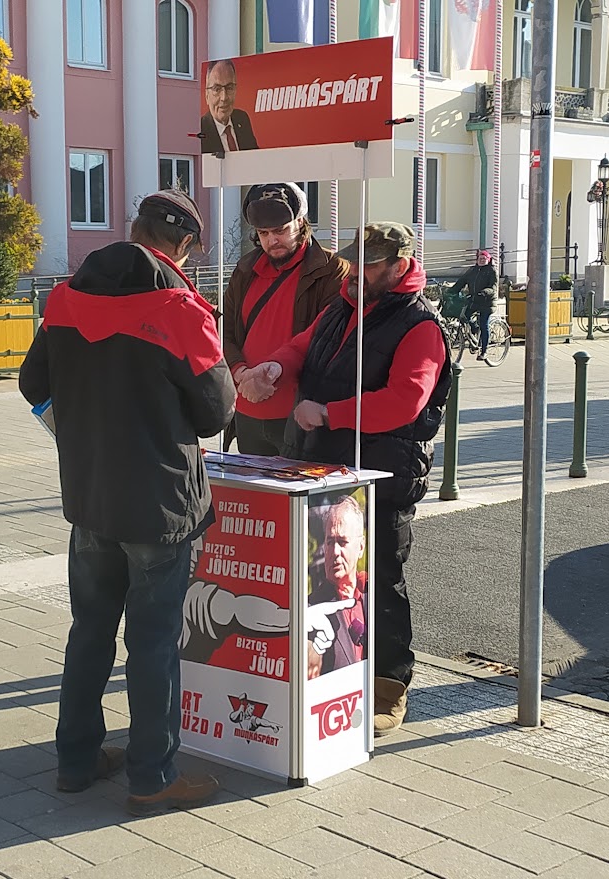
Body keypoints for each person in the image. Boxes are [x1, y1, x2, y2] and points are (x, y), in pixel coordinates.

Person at [18, 189, 234, 817]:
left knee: (89, 630)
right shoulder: (182, 310)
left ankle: (77, 761)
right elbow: (216, 413)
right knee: (155, 641)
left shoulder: (64, 297)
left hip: (89, 498)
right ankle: (152, 774)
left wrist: (78, 434)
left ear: (133, 227)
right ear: (184, 247)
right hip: (161, 506)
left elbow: (33, 384)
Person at [246, 222, 450, 734]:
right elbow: (299, 347)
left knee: (380, 580)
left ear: (400, 267)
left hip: (383, 472)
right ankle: (336, 671)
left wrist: (331, 414)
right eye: (355, 262)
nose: (357, 272)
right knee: (324, 582)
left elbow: (406, 401)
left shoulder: (420, 325)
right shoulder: (340, 309)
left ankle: (389, 686)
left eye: (371, 265)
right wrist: (273, 368)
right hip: (325, 467)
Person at [222, 183, 350, 454]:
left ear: (300, 223)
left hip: (301, 414)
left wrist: (270, 376)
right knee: (256, 496)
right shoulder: (245, 270)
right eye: (263, 233)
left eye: (281, 230)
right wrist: (241, 372)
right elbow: (224, 331)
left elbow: (329, 339)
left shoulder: (332, 270)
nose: (272, 240)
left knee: (302, 497)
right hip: (247, 411)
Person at [305, 493, 368, 680]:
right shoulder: (312, 610)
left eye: (342, 542)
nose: (334, 552)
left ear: (361, 547)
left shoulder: (372, 594)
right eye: (330, 542)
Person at [447, 250, 500, 362]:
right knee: (464, 316)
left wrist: (485, 292)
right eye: (479, 258)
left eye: (484, 258)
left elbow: (493, 287)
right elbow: (461, 282)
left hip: (487, 302)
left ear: (488, 260)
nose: (481, 260)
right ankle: (474, 329)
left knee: (484, 324)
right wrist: (451, 291)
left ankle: (484, 351)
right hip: (474, 300)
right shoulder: (472, 271)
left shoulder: (492, 271)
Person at [199, 60, 259, 153]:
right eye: (217, 89)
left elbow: (256, 159)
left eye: (229, 88)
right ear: (206, 95)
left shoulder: (242, 119)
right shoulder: (201, 129)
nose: (224, 97)